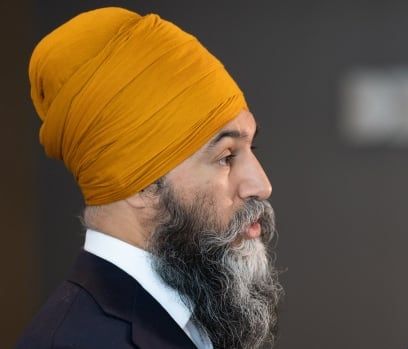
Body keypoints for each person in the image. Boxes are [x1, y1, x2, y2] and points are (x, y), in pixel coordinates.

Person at [17, 6, 282, 349]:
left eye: (251, 148)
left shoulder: (194, 310)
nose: (261, 185)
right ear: (140, 184)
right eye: (226, 157)